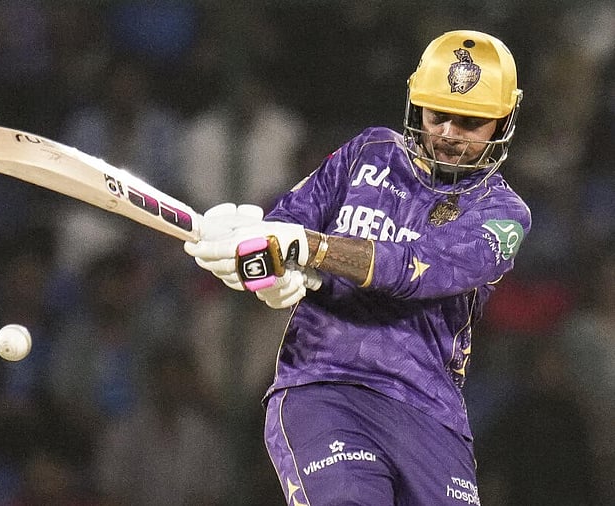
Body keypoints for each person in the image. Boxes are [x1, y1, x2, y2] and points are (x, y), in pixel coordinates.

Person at [184, 30, 530, 505]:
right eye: (439, 115)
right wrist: (257, 266)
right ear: (416, 106)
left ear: (502, 121)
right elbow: (287, 228)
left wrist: (311, 248)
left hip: (430, 413)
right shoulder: (368, 152)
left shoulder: (503, 214)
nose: (449, 134)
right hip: (326, 386)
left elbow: (416, 270)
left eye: (471, 122)